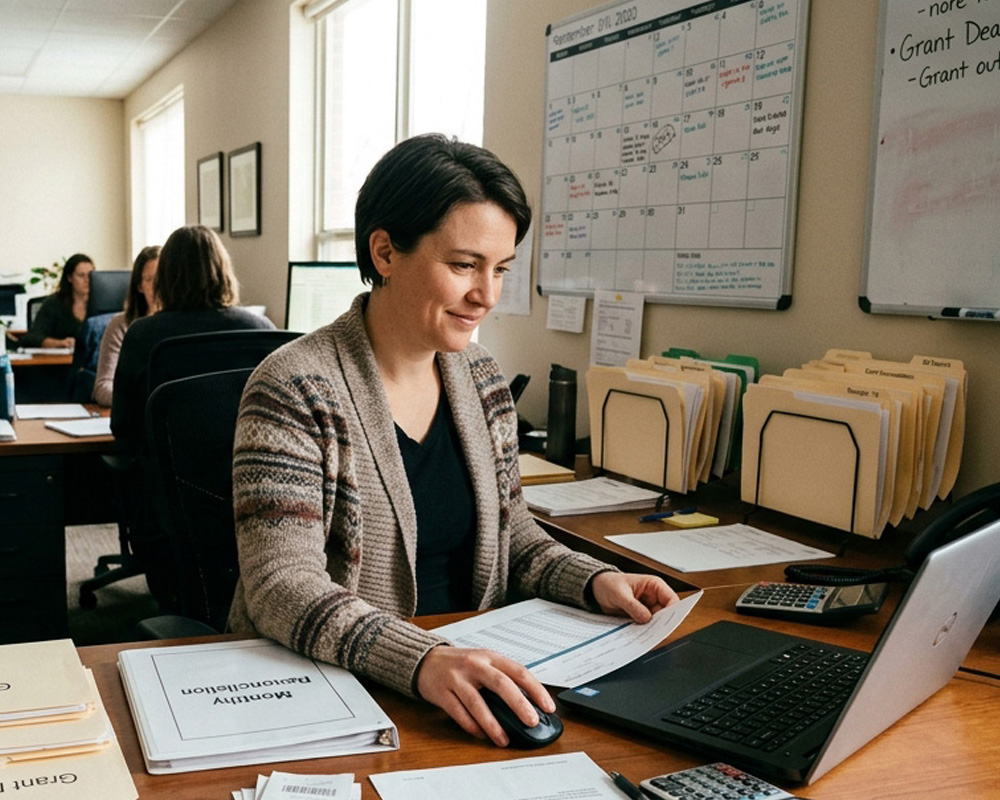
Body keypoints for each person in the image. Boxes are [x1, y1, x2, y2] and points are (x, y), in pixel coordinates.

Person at [228, 134, 679, 748]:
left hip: (469, 675)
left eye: (500, 270)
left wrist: (594, 580)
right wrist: (423, 659)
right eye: (464, 265)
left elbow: (512, 533)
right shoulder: (293, 387)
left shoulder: (482, 375)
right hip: (337, 688)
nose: (487, 296)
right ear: (385, 252)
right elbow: (282, 585)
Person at [110, 225, 274, 455]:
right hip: (244, 477)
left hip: (167, 479)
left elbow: (122, 425)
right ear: (223, 271)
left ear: (165, 277)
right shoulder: (260, 330)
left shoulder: (143, 334)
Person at [91, 246, 160, 407]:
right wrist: (140, 402)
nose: (158, 286)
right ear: (140, 286)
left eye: (162, 278)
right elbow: (102, 387)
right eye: (150, 279)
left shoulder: (182, 324)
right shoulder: (121, 325)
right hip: (133, 416)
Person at [18, 254, 95, 348]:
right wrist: (60, 343)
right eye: (81, 275)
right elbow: (33, 338)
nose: (87, 280)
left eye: (90, 275)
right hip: (61, 360)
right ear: (70, 278)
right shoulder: (54, 304)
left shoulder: (102, 304)